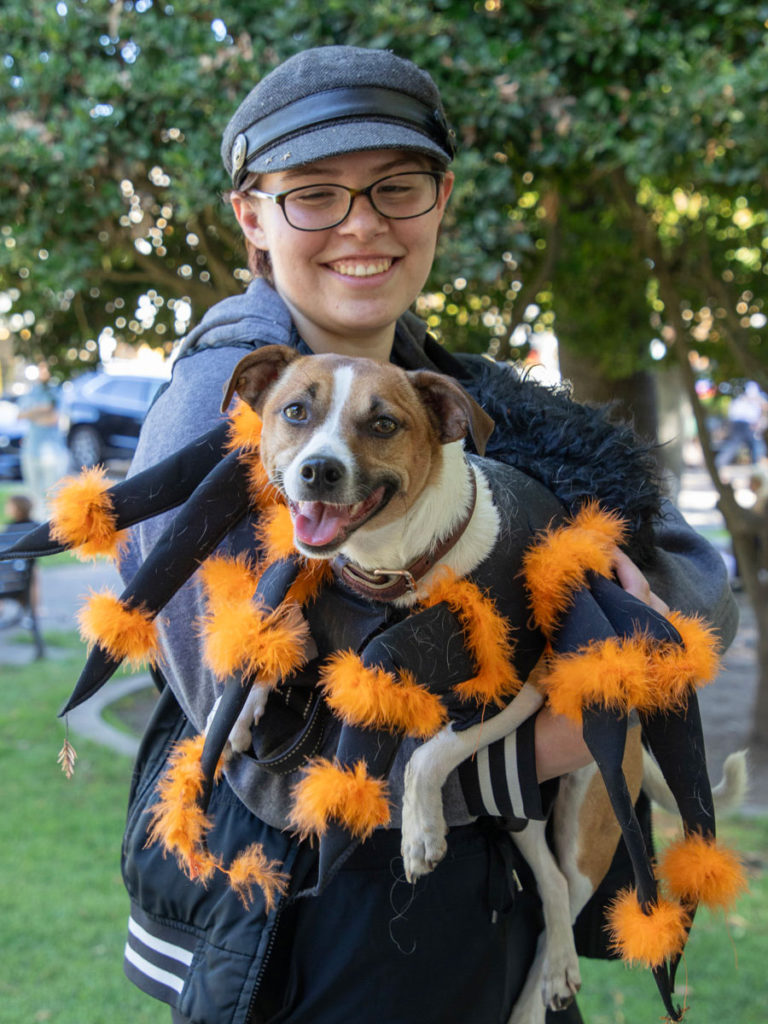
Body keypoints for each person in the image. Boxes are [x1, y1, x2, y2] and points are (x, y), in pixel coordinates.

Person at [121, 47, 738, 1024]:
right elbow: (266, 746)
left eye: (396, 188)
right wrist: (558, 736)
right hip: (325, 932)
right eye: (315, 195)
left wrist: (644, 627)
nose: (363, 223)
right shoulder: (226, 402)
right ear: (252, 216)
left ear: (440, 201)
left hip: (479, 918)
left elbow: (689, 569)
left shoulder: (452, 386)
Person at [17, 361, 70, 518]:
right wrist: (42, 409)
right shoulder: (31, 392)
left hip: (52, 451)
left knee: (52, 496)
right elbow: (20, 415)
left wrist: (33, 414)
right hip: (31, 449)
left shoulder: (56, 392)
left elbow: (53, 418)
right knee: (34, 494)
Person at [715, 379, 768, 469]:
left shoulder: (741, 398)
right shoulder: (753, 398)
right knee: (756, 445)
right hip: (746, 424)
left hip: (740, 424)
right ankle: (758, 465)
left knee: (735, 445)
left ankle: (720, 463)